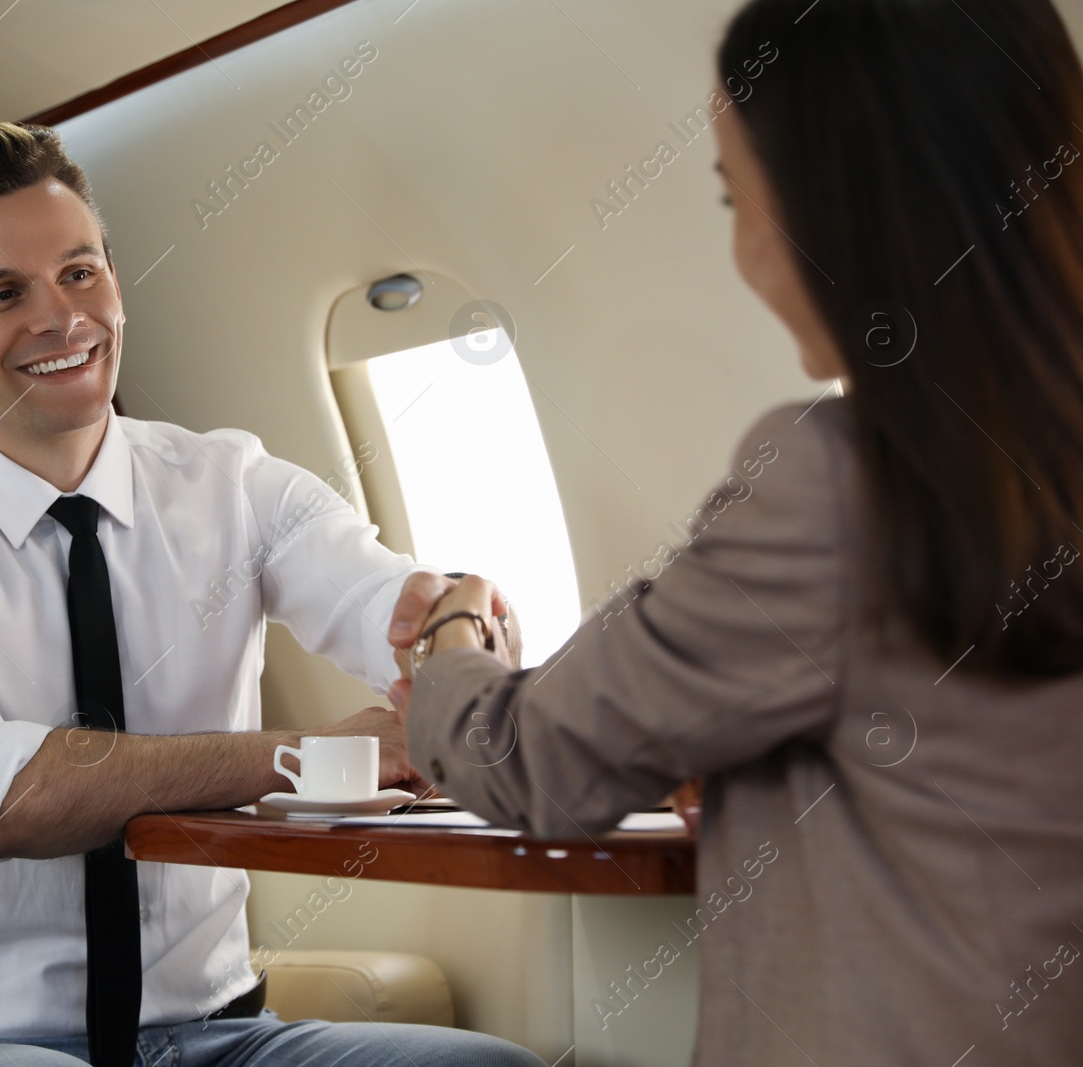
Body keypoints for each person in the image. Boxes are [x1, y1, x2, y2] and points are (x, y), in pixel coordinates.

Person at [391, 0, 1083, 1064]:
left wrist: (452, 629)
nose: (740, 248)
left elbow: (532, 759)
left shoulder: (846, 478)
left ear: (828, 212)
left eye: (732, 194)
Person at [0, 120, 537, 1066]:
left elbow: (385, 607)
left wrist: (452, 627)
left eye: (80, 272)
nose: (62, 318)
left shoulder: (235, 481)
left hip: (223, 1036)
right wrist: (306, 757)